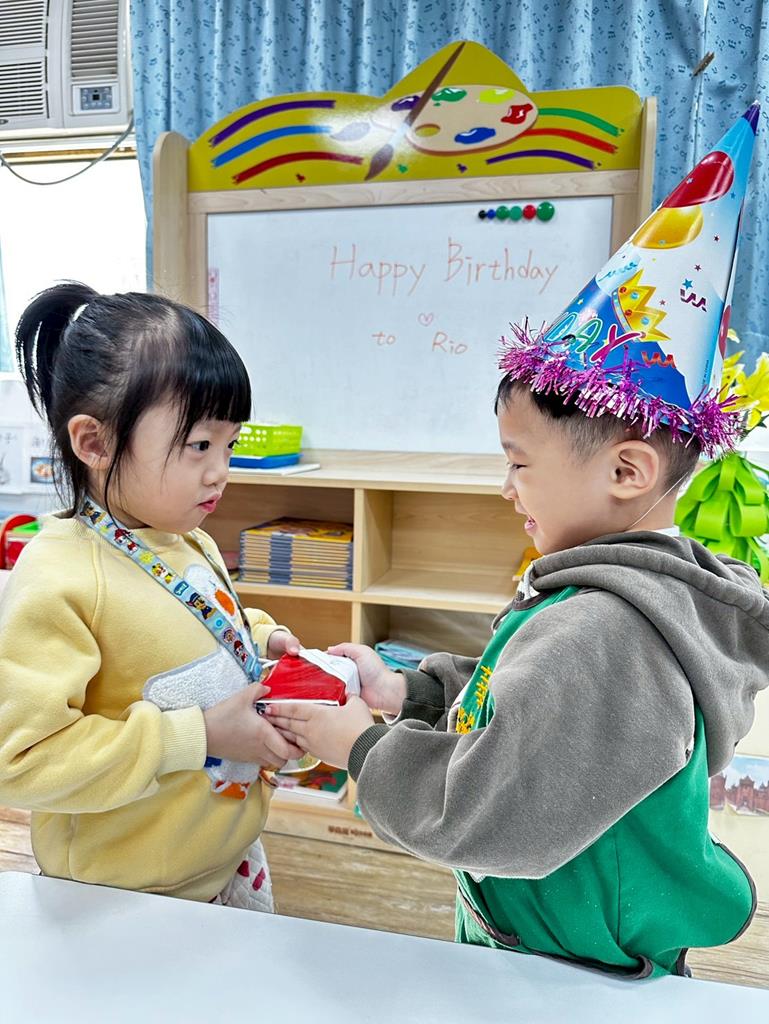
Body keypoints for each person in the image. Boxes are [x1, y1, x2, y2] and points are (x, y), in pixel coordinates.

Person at [266, 105, 769, 977]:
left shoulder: (605, 631)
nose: (506, 487)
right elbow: (525, 706)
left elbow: (483, 816)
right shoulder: (608, 596)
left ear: (626, 471)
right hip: (560, 938)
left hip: (569, 967)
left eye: (519, 462)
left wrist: (355, 745)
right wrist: (409, 691)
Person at [0, 282, 304, 908]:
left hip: (225, 861)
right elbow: (21, 760)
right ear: (95, 443)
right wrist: (198, 736)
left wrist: (261, 634)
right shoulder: (61, 577)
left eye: (230, 444)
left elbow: (191, 620)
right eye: (199, 445)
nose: (221, 470)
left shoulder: (184, 537)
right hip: (123, 896)